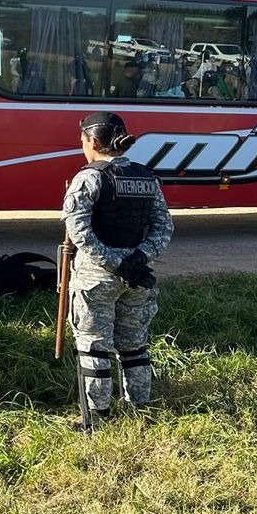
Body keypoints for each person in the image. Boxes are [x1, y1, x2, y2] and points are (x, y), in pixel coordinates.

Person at [63, 111, 174, 429]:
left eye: (83, 140)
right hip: (139, 277)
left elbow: (80, 233)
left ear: (93, 141)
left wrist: (115, 263)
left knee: (93, 345)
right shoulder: (146, 178)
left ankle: (95, 419)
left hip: (97, 278)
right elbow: (163, 227)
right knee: (134, 344)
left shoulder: (88, 178)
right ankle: (142, 411)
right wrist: (138, 260)